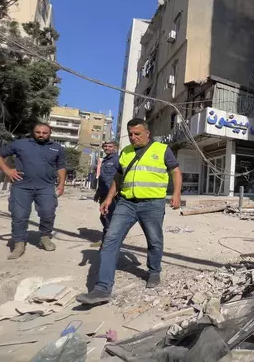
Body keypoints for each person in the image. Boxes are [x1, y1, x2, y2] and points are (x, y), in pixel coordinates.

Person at [76, 118, 182, 305]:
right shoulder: (125, 152)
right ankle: (102, 288)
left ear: (147, 133)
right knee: (110, 240)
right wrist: (109, 198)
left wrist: (177, 194)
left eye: (137, 134)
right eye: (130, 134)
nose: (133, 137)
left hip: (152, 203)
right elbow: (117, 179)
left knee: (154, 240)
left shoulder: (162, 150)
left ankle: (154, 271)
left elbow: (175, 171)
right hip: (126, 203)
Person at [0, 123, 66, 259]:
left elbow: (61, 167)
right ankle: (19, 244)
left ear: (50, 133)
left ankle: (45, 238)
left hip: (46, 187)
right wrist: (7, 170)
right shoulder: (20, 144)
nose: (41, 135)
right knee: (19, 215)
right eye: (38, 132)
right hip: (21, 187)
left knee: (48, 213)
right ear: (33, 132)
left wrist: (61, 184)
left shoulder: (57, 148)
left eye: (44, 133)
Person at [91, 141, 120, 248]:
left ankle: (108, 243)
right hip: (103, 193)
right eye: (106, 146)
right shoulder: (105, 160)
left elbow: (119, 178)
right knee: (104, 217)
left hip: (112, 196)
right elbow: (103, 179)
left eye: (110, 146)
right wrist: (98, 192)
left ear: (115, 148)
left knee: (109, 218)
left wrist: (114, 195)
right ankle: (105, 240)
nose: (107, 148)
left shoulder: (117, 160)